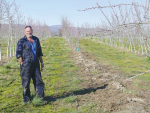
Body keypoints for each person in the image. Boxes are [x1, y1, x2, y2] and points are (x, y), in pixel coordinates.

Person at [16, 26, 45, 103]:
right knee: (26, 82)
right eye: (27, 31)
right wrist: (22, 63)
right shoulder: (21, 41)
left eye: (30, 31)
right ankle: (26, 99)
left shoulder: (36, 39)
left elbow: (39, 53)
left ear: (32, 31)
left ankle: (40, 98)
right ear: (25, 32)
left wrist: (42, 63)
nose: (29, 32)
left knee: (39, 81)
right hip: (26, 65)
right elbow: (18, 54)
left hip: (36, 64)